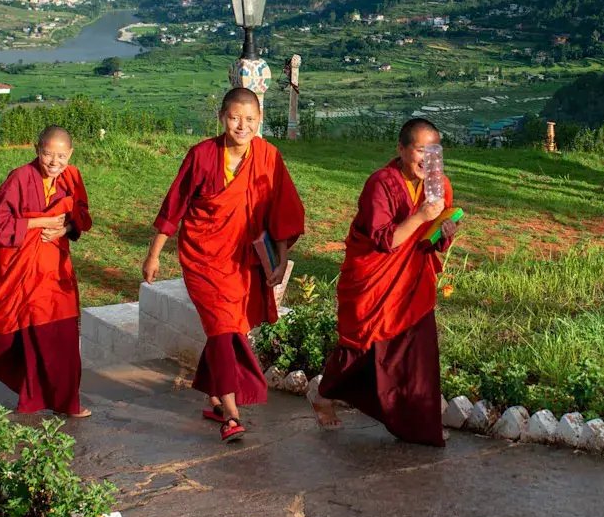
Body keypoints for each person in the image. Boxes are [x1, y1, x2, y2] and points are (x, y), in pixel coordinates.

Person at [144, 88, 305, 442]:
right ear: (221, 117)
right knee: (222, 328)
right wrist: (154, 253)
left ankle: (215, 396)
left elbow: (281, 210)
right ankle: (231, 414)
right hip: (203, 255)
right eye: (235, 118)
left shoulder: (268, 156)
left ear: (259, 121)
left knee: (229, 327)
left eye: (250, 119)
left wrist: (282, 257)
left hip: (243, 260)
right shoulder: (202, 155)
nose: (242, 125)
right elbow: (175, 206)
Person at [316, 118, 457, 445]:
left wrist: (444, 232)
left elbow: (429, 240)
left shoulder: (439, 185)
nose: (427, 160)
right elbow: (386, 241)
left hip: (413, 281)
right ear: (401, 149)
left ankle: (419, 424)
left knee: (418, 356)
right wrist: (422, 215)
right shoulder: (381, 183)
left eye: (434, 152)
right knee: (361, 345)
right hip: (375, 278)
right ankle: (324, 394)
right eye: (420, 150)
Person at [0, 125, 92, 416]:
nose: (54, 162)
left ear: (70, 154)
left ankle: (66, 401)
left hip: (54, 268)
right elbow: (0, 224)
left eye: (61, 156)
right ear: (37, 150)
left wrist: (65, 227)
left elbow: (82, 216)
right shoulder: (20, 178)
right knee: (10, 331)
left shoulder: (72, 177)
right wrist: (39, 223)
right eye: (48, 154)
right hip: (19, 265)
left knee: (60, 332)